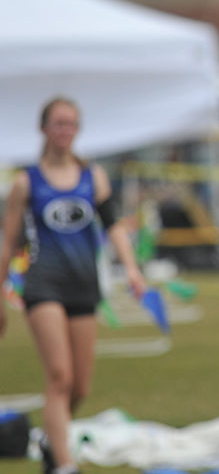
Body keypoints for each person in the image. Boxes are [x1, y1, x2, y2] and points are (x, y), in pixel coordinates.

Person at [0, 97, 148, 474]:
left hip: (83, 286)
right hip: (43, 286)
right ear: (44, 128)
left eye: (71, 124)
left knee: (80, 387)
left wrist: (132, 269)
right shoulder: (26, 182)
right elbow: (9, 242)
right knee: (60, 376)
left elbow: (114, 226)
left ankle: (51, 441)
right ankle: (65, 466)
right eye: (59, 123)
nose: (65, 130)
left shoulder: (92, 177)